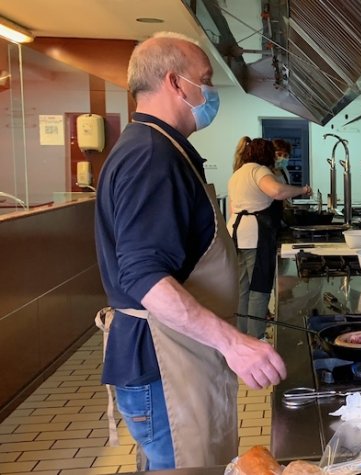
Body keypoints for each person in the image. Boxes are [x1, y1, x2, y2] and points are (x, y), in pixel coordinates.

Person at [94, 32, 287, 471]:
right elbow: (144, 276)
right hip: (165, 364)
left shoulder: (158, 147)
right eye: (206, 78)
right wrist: (234, 343)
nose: (211, 90)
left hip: (174, 357)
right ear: (175, 83)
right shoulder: (151, 156)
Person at [228, 138, 310, 339]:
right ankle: (256, 336)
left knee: (242, 287)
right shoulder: (259, 170)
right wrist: (302, 190)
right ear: (266, 155)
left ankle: (242, 334)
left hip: (236, 234)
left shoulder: (238, 173)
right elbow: (277, 191)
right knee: (259, 287)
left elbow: (232, 207)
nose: (277, 158)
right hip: (254, 236)